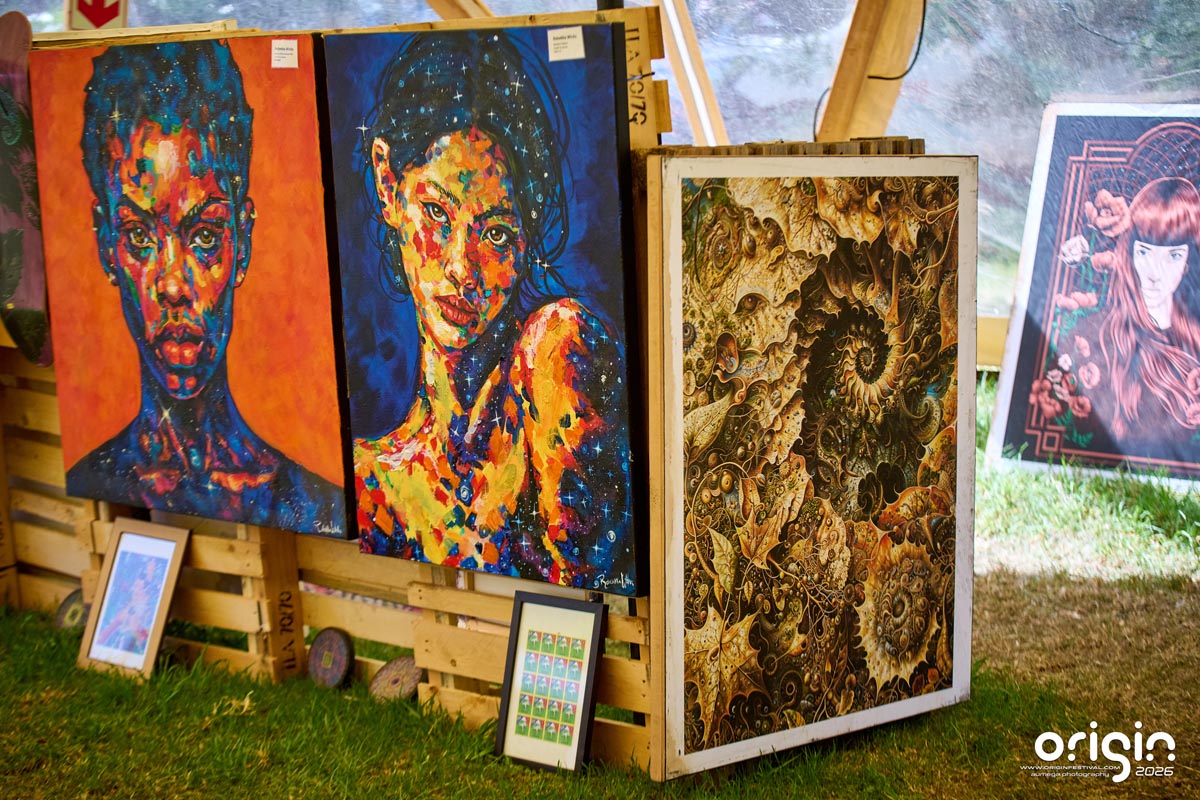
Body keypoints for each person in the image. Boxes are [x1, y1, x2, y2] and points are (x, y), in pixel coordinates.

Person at [352, 31, 633, 588]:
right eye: (437, 213)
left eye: (496, 234)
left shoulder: (555, 354)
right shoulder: (372, 481)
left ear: (527, 243)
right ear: (388, 184)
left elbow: (594, 597)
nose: (463, 267)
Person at [70, 40, 342, 534]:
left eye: (204, 237)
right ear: (106, 243)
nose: (173, 284)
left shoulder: (315, 506)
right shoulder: (93, 478)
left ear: (243, 239)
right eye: (138, 236)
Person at [1064, 177, 1200, 441]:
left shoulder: (1194, 340)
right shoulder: (1093, 334)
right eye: (1145, 252)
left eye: (1173, 256)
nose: (1154, 273)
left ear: (1188, 262)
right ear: (1130, 252)